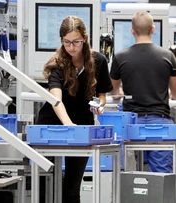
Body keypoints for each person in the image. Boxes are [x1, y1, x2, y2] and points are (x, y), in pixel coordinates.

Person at [36, 16, 113, 203]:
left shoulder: (99, 61)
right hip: (53, 124)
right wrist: (68, 124)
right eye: (67, 42)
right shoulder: (57, 64)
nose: (71, 47)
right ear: (61, 40)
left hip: (82, 125)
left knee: (71, 189)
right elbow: (56, 100)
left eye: (76, 42)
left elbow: (102, 94)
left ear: (84, 38)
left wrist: (100, 105)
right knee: (46, 187)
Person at [110, 11, 176, 173]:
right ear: (153, 29)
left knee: (128, 173)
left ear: (132, 30)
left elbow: (113, 90)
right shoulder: (168, 56)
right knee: (161, 175)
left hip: (131, 123)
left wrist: (119, 91)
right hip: (160, 123)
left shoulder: (120, 57)